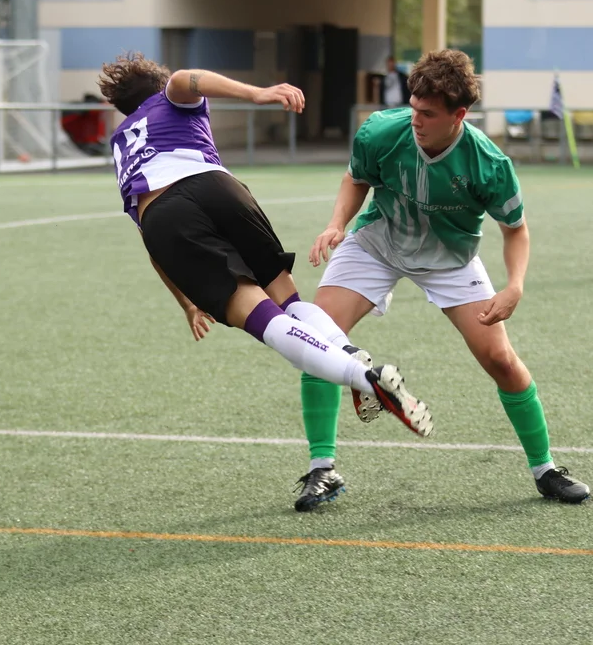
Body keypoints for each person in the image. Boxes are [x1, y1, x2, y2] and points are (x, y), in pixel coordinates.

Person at [97, 53, 433, 511]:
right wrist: (257, 93)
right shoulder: (170, 101)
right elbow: (186, 79)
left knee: (268, 324)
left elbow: (154, 246)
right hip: (221, 188)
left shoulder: (122, 144)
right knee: (289, 302)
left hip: (165, 218)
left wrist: (187, 302)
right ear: (156, 89)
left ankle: (366, 377)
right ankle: (349, 353)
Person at [305, 49, 590, 505]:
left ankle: (545, 469)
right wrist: (337, 223)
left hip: (450, 259)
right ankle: (322, 470)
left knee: (500, 360)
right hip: (378, 243)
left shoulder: (489, 164)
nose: (416, 120)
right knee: (316, 340)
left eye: (429, 114)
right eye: (413, 108)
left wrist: (515, 285)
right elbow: (356, 179)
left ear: (459, 115)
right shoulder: (381, 131)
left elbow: (515, 230)